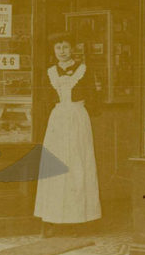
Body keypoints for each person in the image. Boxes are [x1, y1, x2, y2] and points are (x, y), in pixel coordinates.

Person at [34, 31, 101, 236]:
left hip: (78, 119)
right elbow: (44, 100)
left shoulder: (85, 70)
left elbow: (95, 98)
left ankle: (80, 218)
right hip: (57, 121)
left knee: (78, 164)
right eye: (58, 48)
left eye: (65, 47)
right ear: (53, 51)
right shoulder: (49, 72)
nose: (62, 51)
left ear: (72, 48)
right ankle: (51, 219)